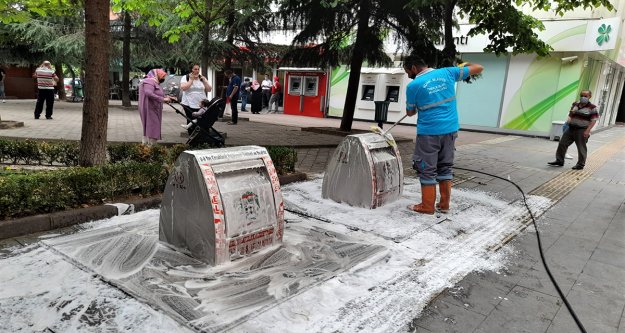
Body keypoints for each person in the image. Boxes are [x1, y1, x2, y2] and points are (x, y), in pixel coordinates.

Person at [403, 55, 484, 215]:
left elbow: (410, 112)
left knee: (427, 169)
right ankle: (444, 204)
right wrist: (465, 65)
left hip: (429, 133)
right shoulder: (448, 72)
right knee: (445, 166)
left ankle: (427, 207)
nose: (408, 75)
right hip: (450, 129)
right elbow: (479, 68)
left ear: (413, 68)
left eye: (407, 72)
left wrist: (420, 104)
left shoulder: (414, 86)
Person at [548, 90, 598, 170]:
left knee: (581, 147)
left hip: (582, 130)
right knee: (562, 143)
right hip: (571, 128)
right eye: (582, 95)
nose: (583, 97)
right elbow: (571, 114)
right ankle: (559, 161)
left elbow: (594, 120)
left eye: (585, 96)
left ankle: (580, 164)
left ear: (589, 97)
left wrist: (587, 131)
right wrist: (567, 122)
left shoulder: (592, 107)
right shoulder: (575, 104)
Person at [138, 68, 174, 145]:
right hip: (150, 108)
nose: (163, 78)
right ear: (156, 75)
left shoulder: (154, 82)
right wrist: (162, 99)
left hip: (153, 108)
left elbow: (157, 93)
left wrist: (167, 97)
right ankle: (150, 147)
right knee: (152, 127)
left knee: (151, 127)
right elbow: (148, 93)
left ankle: (146, 147)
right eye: (162, 76)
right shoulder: (149, 81)